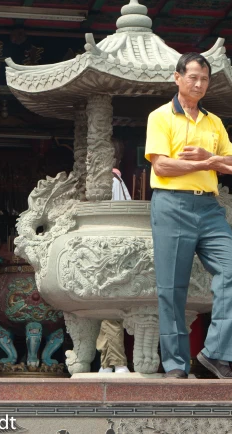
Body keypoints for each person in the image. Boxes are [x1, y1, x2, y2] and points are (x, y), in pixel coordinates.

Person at [145, 52, 232, 380]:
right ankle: (175, 364)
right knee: (172, 288)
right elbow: (162, 166)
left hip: (209, 209)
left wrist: (209, 157)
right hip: (172, 205)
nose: (198, 83)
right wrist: (206, 163)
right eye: (192, 77)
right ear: (177, 78)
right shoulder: (160, 117)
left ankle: (215, 354)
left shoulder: (214, 122)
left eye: (204, 79)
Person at [96, 139, 131, 374]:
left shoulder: (110, 180)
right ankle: (107, 362)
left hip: (110, 249)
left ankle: (116, 362)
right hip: (108, 250)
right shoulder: (115, 180)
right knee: (105, 309)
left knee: (110, 309)